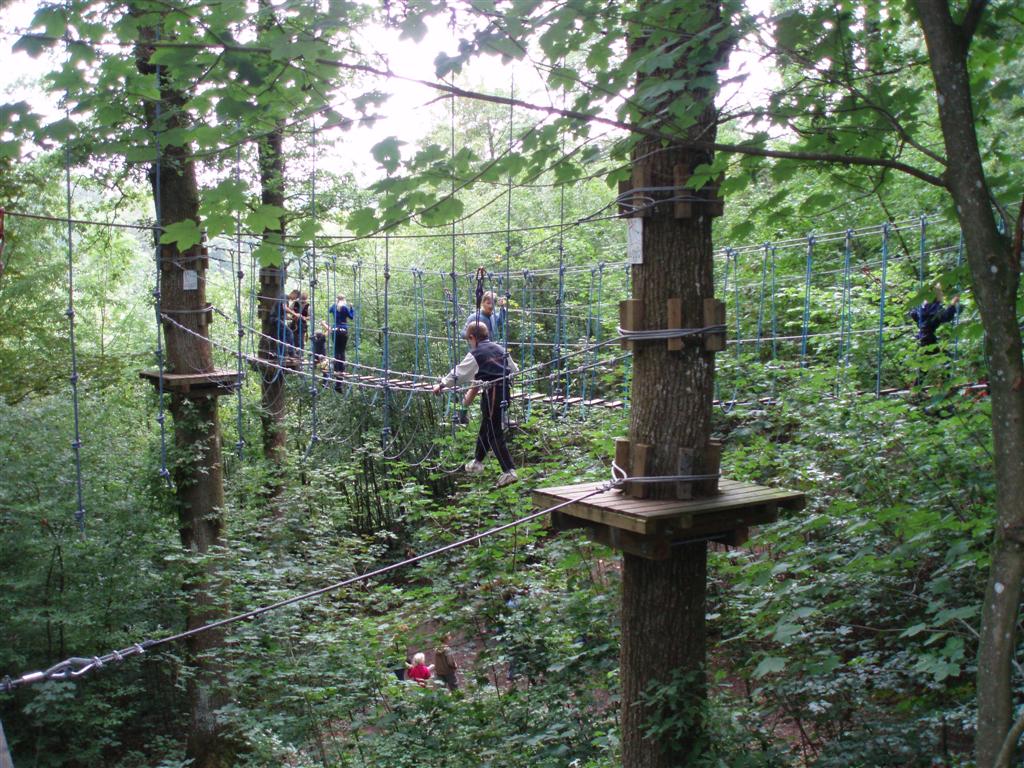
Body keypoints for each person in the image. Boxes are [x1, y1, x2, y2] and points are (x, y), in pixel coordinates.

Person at [433, 321, 519, 487]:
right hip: (503, 392)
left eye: (468, 340)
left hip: (494, 392)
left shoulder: (476, 353)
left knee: (494, 431)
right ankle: (477, 461)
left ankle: (509, 470)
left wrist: (441, 385)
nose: (469, 343)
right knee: (487, 426)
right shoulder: (499, 349)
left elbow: (457, 373)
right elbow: (514, 370)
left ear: (472, 337)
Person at [327, 293, 355, 388]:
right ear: (344, 299)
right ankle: (341, 370)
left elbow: (329, 310)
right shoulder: (345, 307)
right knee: (342, 351)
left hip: (335, 330)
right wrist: (351, 308)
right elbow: (351, 317)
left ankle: (336, 369)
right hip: (343, 331)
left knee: (336, 350)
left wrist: (334, 303)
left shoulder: (334, 306)